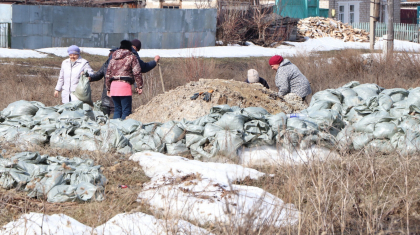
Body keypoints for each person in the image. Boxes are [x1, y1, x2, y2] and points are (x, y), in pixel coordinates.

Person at [106, 40, 142, 120]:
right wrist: (139, 86)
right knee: (126, 110)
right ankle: (123, 130)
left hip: (114, 86)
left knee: (117, 109)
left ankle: (114, 129)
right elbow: (137, 72)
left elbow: (108, 74)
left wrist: (108, 88)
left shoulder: (113, 58)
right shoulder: (131, 57)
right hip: (124, 85)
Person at [89, 48, 118, 116]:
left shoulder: (121, 66)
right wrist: (90, 78)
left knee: (114, 117)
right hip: (106, 97)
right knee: (104, 116)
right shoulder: (105, 65)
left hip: (117, 96)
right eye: (110, 54)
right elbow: (98, 75)